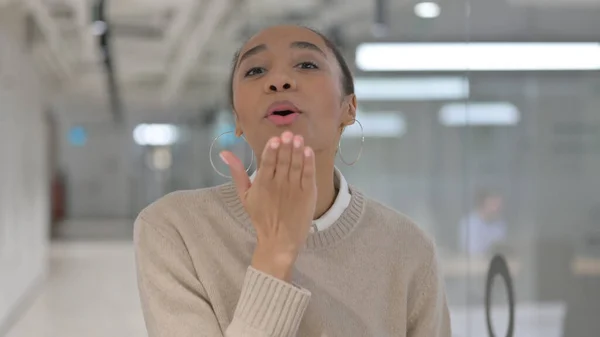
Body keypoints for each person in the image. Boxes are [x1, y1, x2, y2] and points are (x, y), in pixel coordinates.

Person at [134, 25, 451, 337]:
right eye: (255, 71)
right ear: (238, 120)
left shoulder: (409, 249)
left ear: (348, 108)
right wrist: (276, 252)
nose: (278, 81)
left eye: (307, 64)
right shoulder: (174, 229)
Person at [458, 188, 507, 255]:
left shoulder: (500, 225)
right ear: (482, 203)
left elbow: (502, 251)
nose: (497, 208)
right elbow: (473, 253)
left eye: (499, 204)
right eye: (494, 204)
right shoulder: (469, 223)